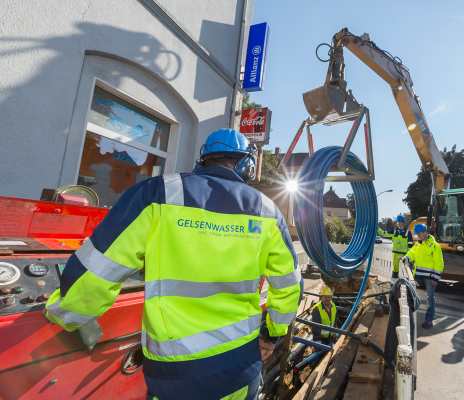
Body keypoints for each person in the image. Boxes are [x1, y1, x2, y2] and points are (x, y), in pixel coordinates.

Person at [44, 129, 303, 400]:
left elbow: (100, 266)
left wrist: (66, 314)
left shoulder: (158, 192)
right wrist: (271, 334)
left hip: (176, 376)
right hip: (240, 367)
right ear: (247, 165)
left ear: (203, 161)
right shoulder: (268, 211)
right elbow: (289, 286)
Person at [402, 223, 444, 329]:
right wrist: (405, 258)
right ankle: (409, 315)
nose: (417, 236)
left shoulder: (434, 245)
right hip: (417, 274)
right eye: (416, 234)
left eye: (419, 234)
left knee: (430, 298)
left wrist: (436, 278)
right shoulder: (418, 245)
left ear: (425, 232)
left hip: (429, 277)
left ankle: (429, 320)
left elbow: (439, 263)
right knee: (408, 292)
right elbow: (411, 253)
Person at [377, 215, 413, 281]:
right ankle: (393, 285)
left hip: (404, 255)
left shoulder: (408, 232)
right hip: (395, 255)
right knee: (395, 271)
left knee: (405, 272)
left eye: (400, 222)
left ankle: (404, 286)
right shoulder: (394, 231)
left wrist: (409, 257)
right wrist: (377, 228)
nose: (398, 223)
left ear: (403, 222)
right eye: (397, 222)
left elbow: (410, 246)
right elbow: (383, 233)